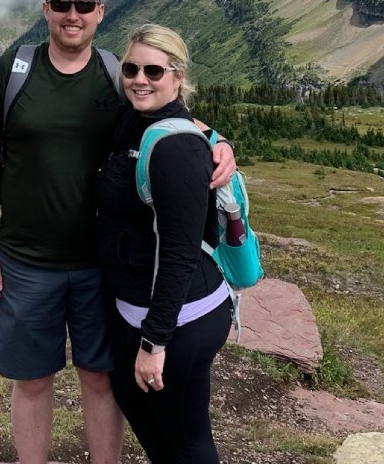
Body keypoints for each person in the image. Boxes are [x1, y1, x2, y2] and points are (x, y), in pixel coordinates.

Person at [0, 0, 236, 464]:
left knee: (99, 377)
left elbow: (163, 108)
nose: (73, 15)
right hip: (23, 259)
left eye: (84, 5)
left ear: (99, 13)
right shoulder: (15, 69)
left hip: (97, 267)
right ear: (46, 9)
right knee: (32, 380)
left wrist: (217, 141)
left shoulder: (116, 74)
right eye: (62, 4)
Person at [96, 24, 232, 464]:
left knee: (187, 438)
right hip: (137, 306)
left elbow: (178, 253)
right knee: (140, 408)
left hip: (182, 319)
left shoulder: (176, 149)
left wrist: (155, 344)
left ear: (177, 76)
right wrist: (219, 137)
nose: (139, 79)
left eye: (153, 71)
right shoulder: (134, 119)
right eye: (131, 68)